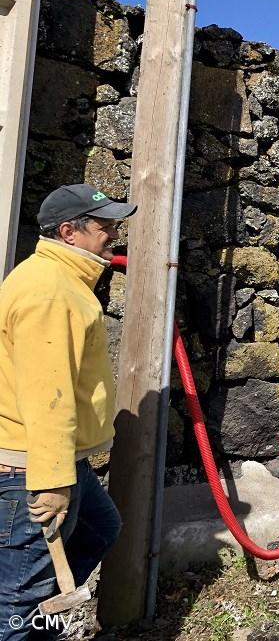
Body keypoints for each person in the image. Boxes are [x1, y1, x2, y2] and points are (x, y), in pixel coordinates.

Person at [0, 183, 136, 639]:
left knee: (101, 527)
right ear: (68, 232)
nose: (114, 232)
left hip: (53, 459)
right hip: (33, 467)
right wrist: (53, 480)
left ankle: (39, 629)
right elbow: (48, 396)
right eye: (105, 225)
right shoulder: (50, 293)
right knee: (19, 594)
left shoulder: (60, 281)